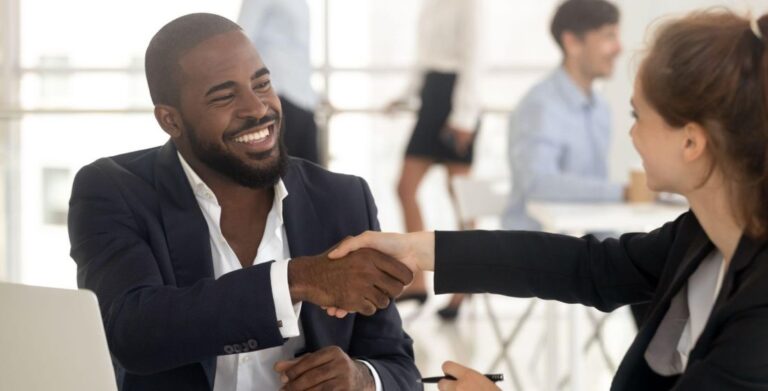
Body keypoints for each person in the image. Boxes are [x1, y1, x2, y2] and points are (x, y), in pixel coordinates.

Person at [329, 10, 768, 390]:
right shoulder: (700, 235)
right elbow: (588, 266)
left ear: (691, 141)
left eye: (638, 115)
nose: (630, 132)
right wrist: (415, 249)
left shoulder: (758, 313)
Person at [67, 13, 420, 391]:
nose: (257, 108)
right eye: (225, 96)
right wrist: (296, 280)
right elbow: (132, 334)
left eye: (262, 84)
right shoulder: (113, 189)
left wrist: (361, 378)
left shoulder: (342, 198)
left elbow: (399, 367)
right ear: (171, 121)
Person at [390, 0, 483, 319]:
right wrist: (405, 96)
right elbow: (423, 60)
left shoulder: (470, 5)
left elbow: (473, 60)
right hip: (431, 95)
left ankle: (465, 283)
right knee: (405, 188)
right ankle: (416, 278)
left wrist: (464, 117)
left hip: (457, 98)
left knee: (461, 199)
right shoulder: (430, 6)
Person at [502, 0, 624, 231]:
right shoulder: (540, 106)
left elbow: (596, 206)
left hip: (580, 245)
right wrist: (623, 192)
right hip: (532, 249)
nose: (619, 48)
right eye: (609, 37)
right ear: (573, 43)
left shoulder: (600, 108)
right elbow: (538, 184)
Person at [238, 0, 320, 164]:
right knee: (282, 175)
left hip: (304, 100)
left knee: (310, 178)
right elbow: (240, 41)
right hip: (277, 95)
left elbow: (298, 52)